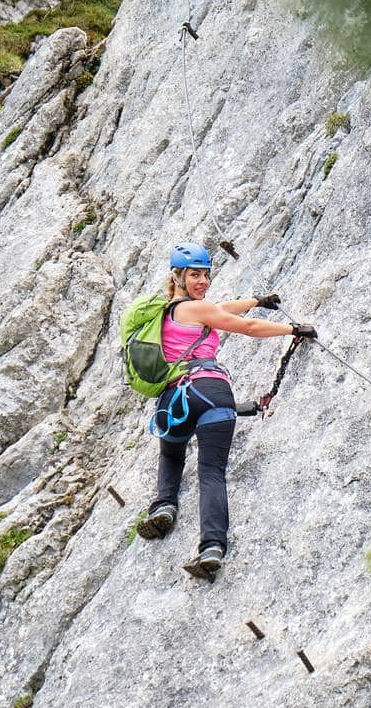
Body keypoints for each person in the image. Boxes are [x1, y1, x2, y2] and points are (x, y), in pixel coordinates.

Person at [135, 242, 317, 581]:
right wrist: (292, 329)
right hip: (212, 392)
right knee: (211, 473)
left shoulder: (165, 314)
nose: (202, 281)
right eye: (195, 275)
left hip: (176, 401)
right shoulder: (199, 310)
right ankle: (212, 548)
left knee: (172, 455)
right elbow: (245, 327)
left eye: (206, 275)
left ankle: (164, 507)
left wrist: (256, 302)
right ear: (177, 277)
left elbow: (222, 308)